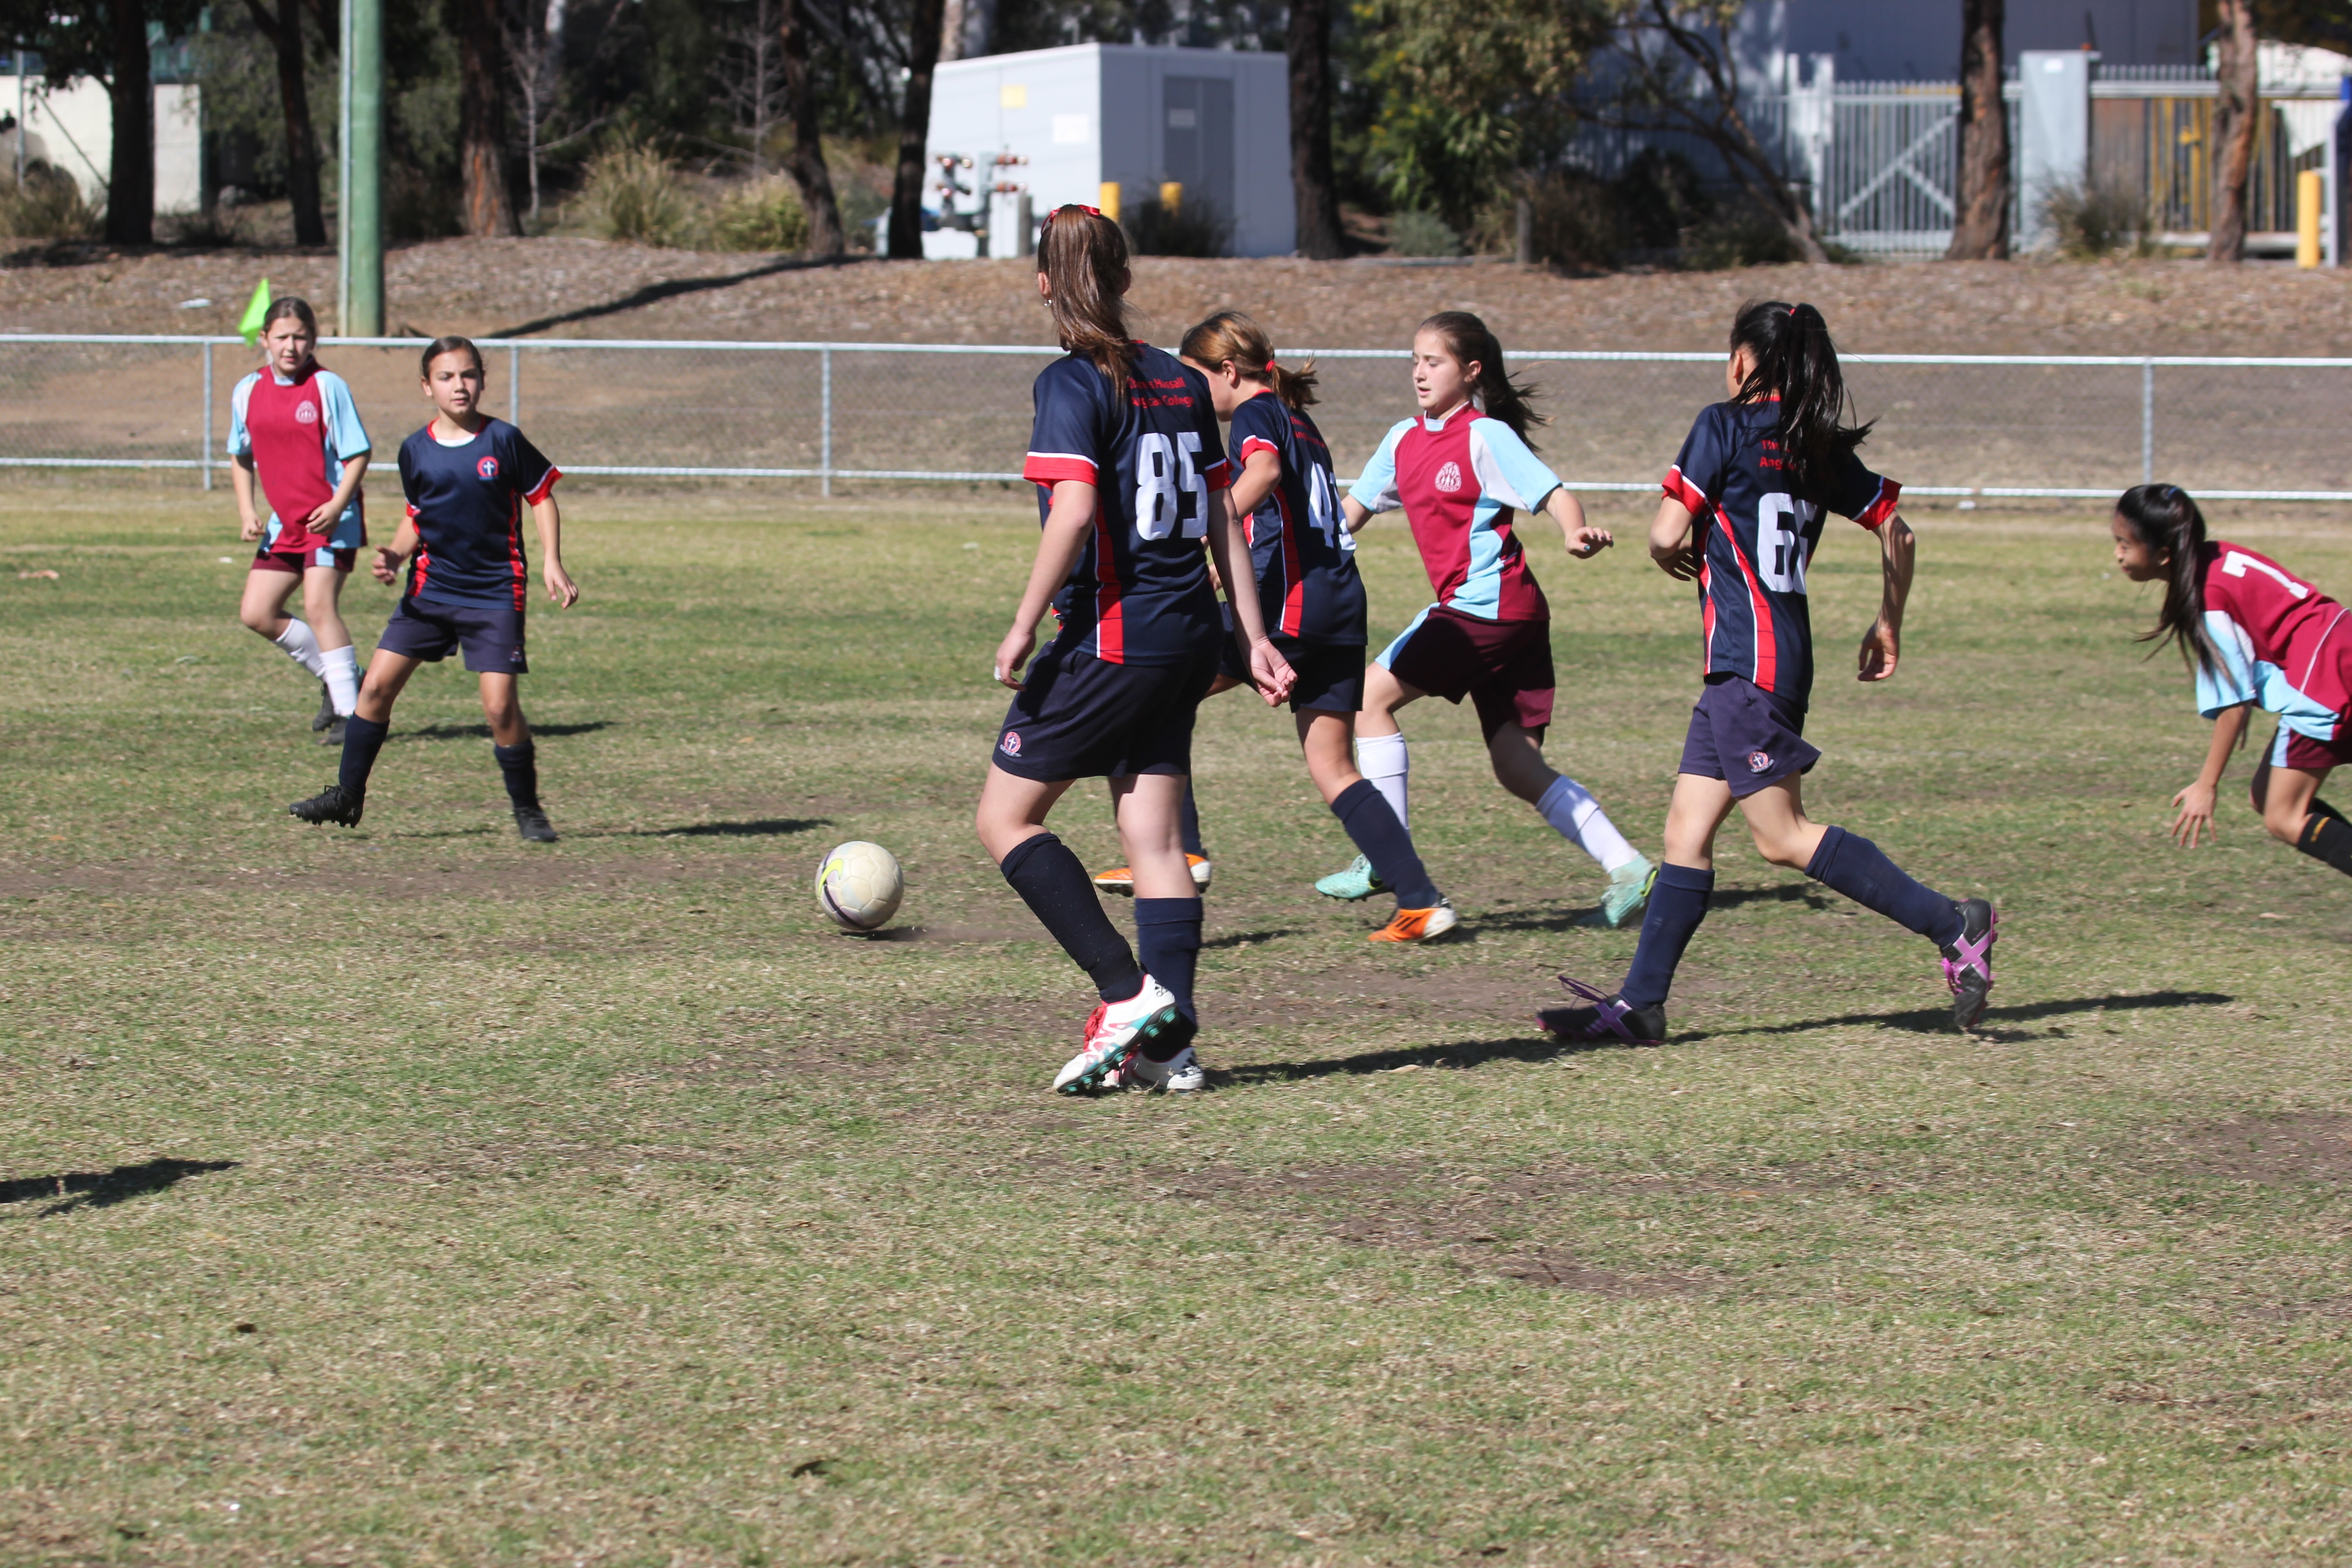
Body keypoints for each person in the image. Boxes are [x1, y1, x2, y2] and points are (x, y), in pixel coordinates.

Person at [1543, 299, 1997, 1044]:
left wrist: (1667, 554)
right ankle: (1640, 1006)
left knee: (1779, 836)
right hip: (1769, 661)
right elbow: (1898, 530)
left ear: (1742, 362)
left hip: (1745, 664)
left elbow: (1663, 533)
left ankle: (1953, 925)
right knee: (1685, 832)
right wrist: (1886, 622)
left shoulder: (1718, 424)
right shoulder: (1810, 444)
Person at [974, 208, 1294, 1097]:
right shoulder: (1186, 384)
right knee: (1152, 839)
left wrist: (1023, 622)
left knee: (1005, 820)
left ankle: (1124, 995)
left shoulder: (1070, 385)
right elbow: (1226, 516)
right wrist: (1254, 636)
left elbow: (1074, 514)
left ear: (1045, 283)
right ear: (1123, 279)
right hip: (1192, 635)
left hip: (1113, 639)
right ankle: (1169, 1051)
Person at [1090, 311, 1450, 939]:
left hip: (1294, 606)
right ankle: (1421, 901)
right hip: (1340, 606)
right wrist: (1221, 573)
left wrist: (1206, 522)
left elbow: (1262, 478)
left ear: (1228, 371)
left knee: (1158, 694)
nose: (1191, 394)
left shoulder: (1258, 414)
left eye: (1197, 379)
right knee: (1334, 765)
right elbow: (1285, 526)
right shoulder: (1301, 422)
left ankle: (1187, 852)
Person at [1323, 310, 1655, 934]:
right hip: (1504, 612)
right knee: (1516, 764)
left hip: (1489, 607)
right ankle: (1630, 868)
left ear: (1471, 372)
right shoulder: (1402, 439)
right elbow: (1352, 513)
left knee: (1368, 698)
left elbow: (1553, 492)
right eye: (1416, 359)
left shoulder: (1485, 435)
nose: (1420, 372)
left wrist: (1573, 531)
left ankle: (1385, 858)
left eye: (1435, 362)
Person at [287, 335, 578, 841]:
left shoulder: (503, 440)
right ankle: (347, 797)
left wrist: (552, 561)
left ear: (482, 381)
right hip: (430, 591)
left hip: (494, 591)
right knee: (374, 689)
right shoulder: (415, 451)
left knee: (499, 707)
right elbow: (418, 515)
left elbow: (541, 497)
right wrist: (397, 554)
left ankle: (528, 810)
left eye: (468, 375)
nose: (459, 386)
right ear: (427, 387)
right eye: (446, 377)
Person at [2110, 483, 2352, 880]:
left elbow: (2235, 706)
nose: (2118, 553)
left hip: (2325, 682)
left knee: (2284, 816)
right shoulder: (2218, 556)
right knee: (2266, 795)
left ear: (2165, 554)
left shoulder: (2210, 600)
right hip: (2341, 652)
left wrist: (2207, 784)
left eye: (2125, 544)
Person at [228, 297, 371, 744]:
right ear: (265, 339)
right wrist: (248, 510)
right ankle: (342, 678)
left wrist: (336, 506)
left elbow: (358, 453)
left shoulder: (328, 386)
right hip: (283, 523)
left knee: (318, 606)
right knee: (257, 613)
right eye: (283, 337)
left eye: (301, 337)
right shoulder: (247, 390)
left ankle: (354, 714)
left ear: (314, 339)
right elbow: (240, 455)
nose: (291, 346)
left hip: (331, 519)